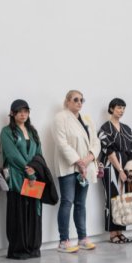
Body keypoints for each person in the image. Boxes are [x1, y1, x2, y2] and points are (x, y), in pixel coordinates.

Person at [52, 90, 101, 253]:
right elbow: (61, 143)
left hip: (85, 167)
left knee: (81, 203)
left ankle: (82, 238)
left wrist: (88, 159)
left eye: (82, 100)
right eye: (76, 99)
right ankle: (63, 241)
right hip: (68, 166)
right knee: (67, 201)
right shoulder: (61, 117)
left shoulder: (87, 119)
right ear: (67, 101)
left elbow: (96, 141)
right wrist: (77, 161)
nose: (79, 102)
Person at [0, 99, 44, 259]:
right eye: (19, 111)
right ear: (12, 113)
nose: (23, 114)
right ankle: (18, 249)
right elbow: (12, 156)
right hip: (17, 178)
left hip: (33, 177)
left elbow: (39, 154)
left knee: (33, 212)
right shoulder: (6, 131)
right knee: (17, 212)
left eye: (26, 111)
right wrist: (29, 172)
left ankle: (33, 247)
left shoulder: (33, 131)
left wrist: (36, 169)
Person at [98, 98, 132, 244]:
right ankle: (112, 233)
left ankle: (121, 232)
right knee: (112, 198)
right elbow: (108, 151)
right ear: (111, 109)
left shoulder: (127, 129)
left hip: (127, 167)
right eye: (118, 108)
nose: (121, 111)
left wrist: (131, 171)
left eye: (123, 108)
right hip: (111, 168)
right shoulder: (105, 128)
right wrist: (120, 170)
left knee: (124, 200)